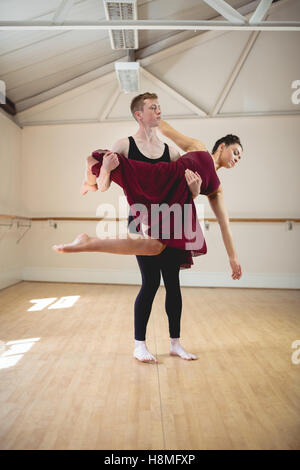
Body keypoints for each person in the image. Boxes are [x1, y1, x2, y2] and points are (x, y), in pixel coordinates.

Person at [53, 94, 243, 362]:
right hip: (146, 207)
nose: (237, 158)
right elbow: (163, 127)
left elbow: (224, 224)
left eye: (240, 158)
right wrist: (101, 175)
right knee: (151, 282)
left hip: (173, 208)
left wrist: (232, 255)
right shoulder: (195, 147)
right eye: (235, 152)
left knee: (173, 284)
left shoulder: (211, 184)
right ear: (222, 146)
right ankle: (139, 344)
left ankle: (175, 343)